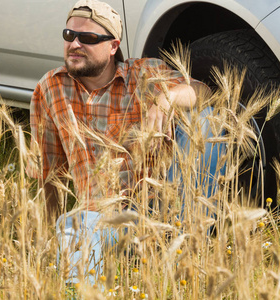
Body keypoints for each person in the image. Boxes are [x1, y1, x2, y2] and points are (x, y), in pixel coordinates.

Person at [28, 0, 225, 285]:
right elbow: (49, 173)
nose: (74, 44)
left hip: (162, 214)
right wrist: (51, 232)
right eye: (69, 35)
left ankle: (185, 255)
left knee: (206, 121)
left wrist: (165, 99)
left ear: (113, 45)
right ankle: (79, 289)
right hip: (101, 219)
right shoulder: (50, 88)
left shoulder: (144, 75)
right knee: (72, 226)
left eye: (88, 38)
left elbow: (203, 91)